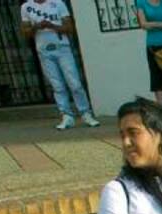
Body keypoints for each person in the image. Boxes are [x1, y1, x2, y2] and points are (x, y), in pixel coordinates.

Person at [19, 0, 101, 131]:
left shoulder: (57, 3)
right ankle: (66, 116)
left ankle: (86, 113)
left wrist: (51, 25)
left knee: (74, 83)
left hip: (62, 48)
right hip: (44, 50)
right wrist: (36, 27)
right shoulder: (26, 7)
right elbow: (25, 32)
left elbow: (69, 28)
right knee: (57, 85)